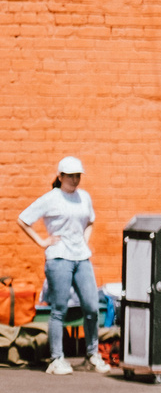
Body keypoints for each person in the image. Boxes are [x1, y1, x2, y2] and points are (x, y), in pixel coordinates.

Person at [18, 157, 107, 376]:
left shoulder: (84, 197)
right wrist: (42, 242)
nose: (75, 179)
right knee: (59, 309)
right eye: (70, 175)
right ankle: (57, 359)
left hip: (81, 258)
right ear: (60, 177)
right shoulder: (51, 198)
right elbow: (23, 219)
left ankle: (92, 355)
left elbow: (91, 221)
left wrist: (84, 241)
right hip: (59, 258)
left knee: (92, 307)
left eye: (78, 175)